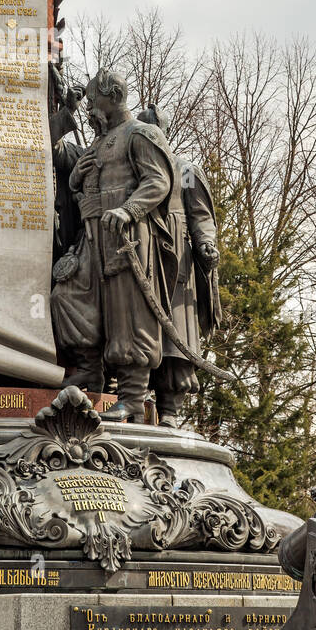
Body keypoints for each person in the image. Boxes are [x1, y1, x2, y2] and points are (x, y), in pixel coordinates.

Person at [50, 69, 183, 422]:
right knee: (68, 295)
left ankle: (132, 397)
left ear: (112, 95)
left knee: (130, 313)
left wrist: (128, 210)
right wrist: (77, 176)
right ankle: (90, 370)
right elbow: (67, 165)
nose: (90, 107)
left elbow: (159, 181)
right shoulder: (99, 140)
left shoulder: (141, 133)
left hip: (128, 238)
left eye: (93, 100)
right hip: (92, 237)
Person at [137, 106, 222, 427]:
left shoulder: (185, 169)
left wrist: (205, 243)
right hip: (140, 257)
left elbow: (201, 216)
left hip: (177, 259)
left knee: (175, 334)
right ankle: (133, 395)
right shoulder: (133, 169)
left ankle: (170, 410)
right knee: (137, 326)